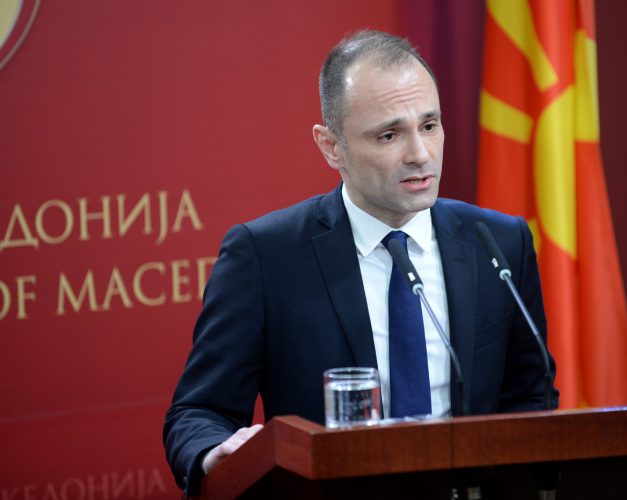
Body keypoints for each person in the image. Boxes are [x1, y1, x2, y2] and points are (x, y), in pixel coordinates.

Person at [163, 30, 557, 494]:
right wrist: (215, 451)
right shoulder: (265, 256)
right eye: (389, 135)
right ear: (331, 146)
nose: (420, 154)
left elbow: (530, 397)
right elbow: (198, 413)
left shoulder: (499, 243)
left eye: (430, 125)